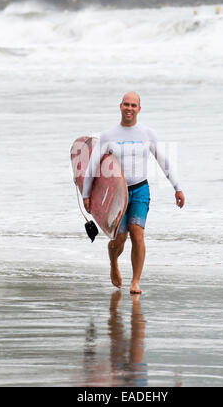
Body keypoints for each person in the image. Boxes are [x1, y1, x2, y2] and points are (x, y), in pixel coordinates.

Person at [83, 91, 185, 294]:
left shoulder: (147, 134)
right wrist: (87, 195)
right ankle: (114, 264)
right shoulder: (108, 135)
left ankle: (135, 281)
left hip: (140, 189)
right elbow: (93, 166)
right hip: (116, 195)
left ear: (139, 109)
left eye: (133, 105)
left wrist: (177, 187)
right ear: (120, 106)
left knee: (137, 234)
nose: (129, 108)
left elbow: (163, 161)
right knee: (120, 239)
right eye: (126, 104)